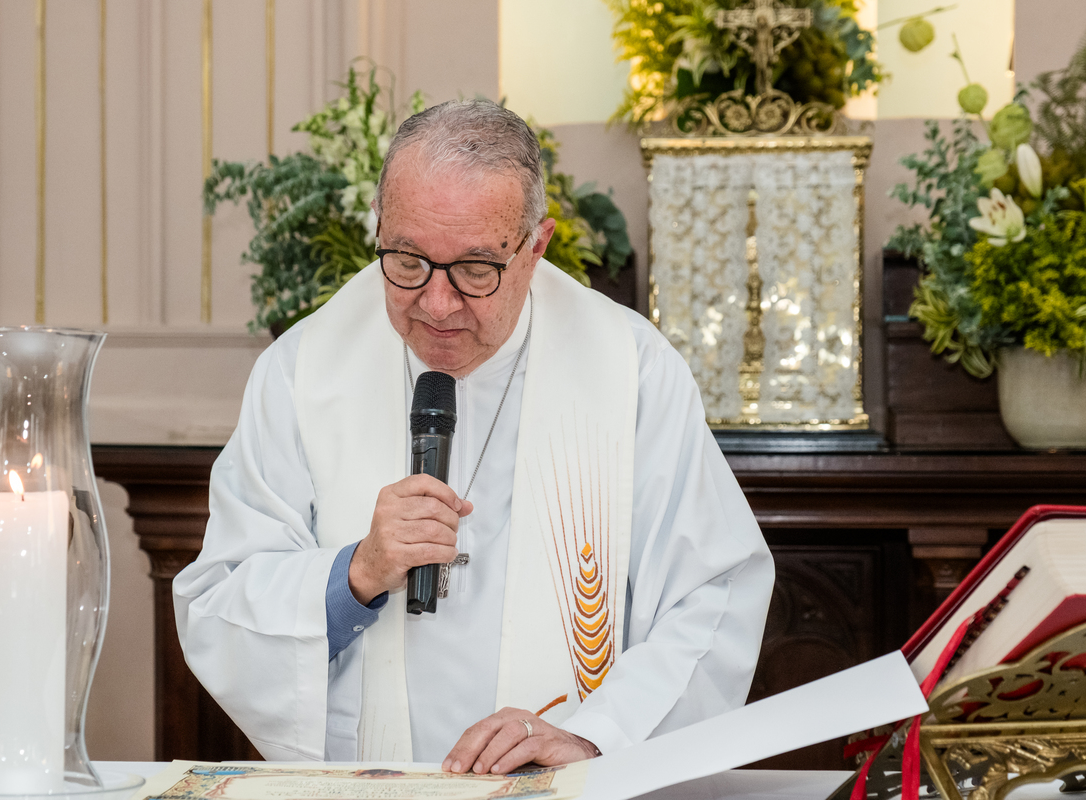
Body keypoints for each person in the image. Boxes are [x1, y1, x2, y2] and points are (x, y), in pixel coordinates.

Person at [173, 99, 774, 774]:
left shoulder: (631, 371)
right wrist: (355, 574)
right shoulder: (304, 371)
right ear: (379, 227)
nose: (437, 303)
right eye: (407, 260)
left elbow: (712, 595)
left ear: (536, 247)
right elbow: (221, 603)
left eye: (476, 269)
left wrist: (597, 739)